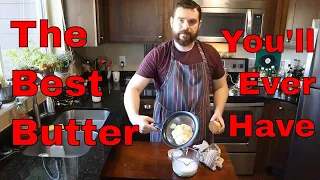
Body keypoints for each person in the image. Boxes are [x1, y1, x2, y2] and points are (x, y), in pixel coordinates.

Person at [124, 0, 228, 144]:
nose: (186, 26)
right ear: (172, 22)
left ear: (199, 24)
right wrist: (134, 118)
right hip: (165, 132)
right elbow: (133, 88)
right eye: (181, 21)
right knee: (160, 167)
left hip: (200, 131)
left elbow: (221, 86)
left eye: (192, 21)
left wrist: (218, 112)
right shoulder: (158, 55)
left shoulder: (210, 53)